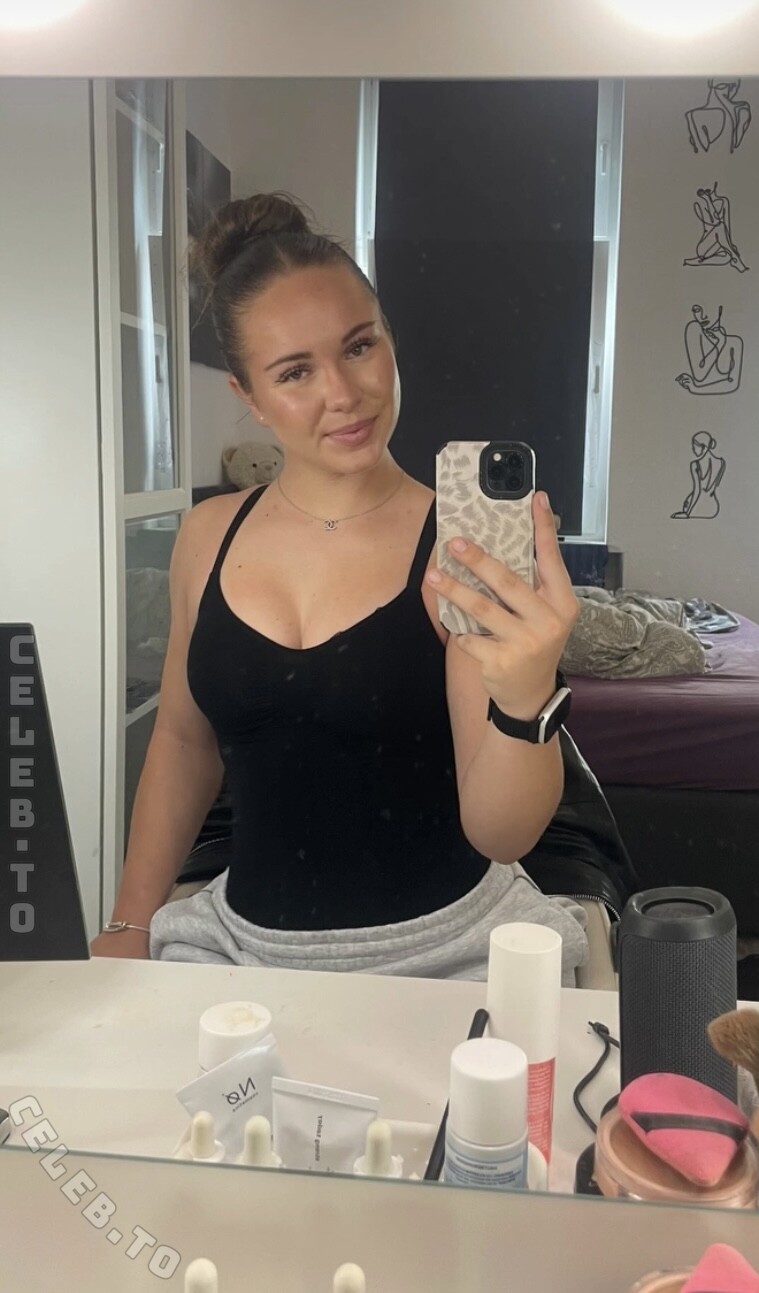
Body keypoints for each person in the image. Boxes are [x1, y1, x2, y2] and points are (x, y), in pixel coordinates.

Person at [90, 191, 588, 982]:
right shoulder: (206, 536)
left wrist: (526, 697)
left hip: (449, 953)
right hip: (240, 951)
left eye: (359, 346)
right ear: (248, 397)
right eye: (295, 372)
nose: (344, 394)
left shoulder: (459, 547)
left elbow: (502, 834)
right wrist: (129, 919)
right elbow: (184, 743)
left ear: (390, 338)